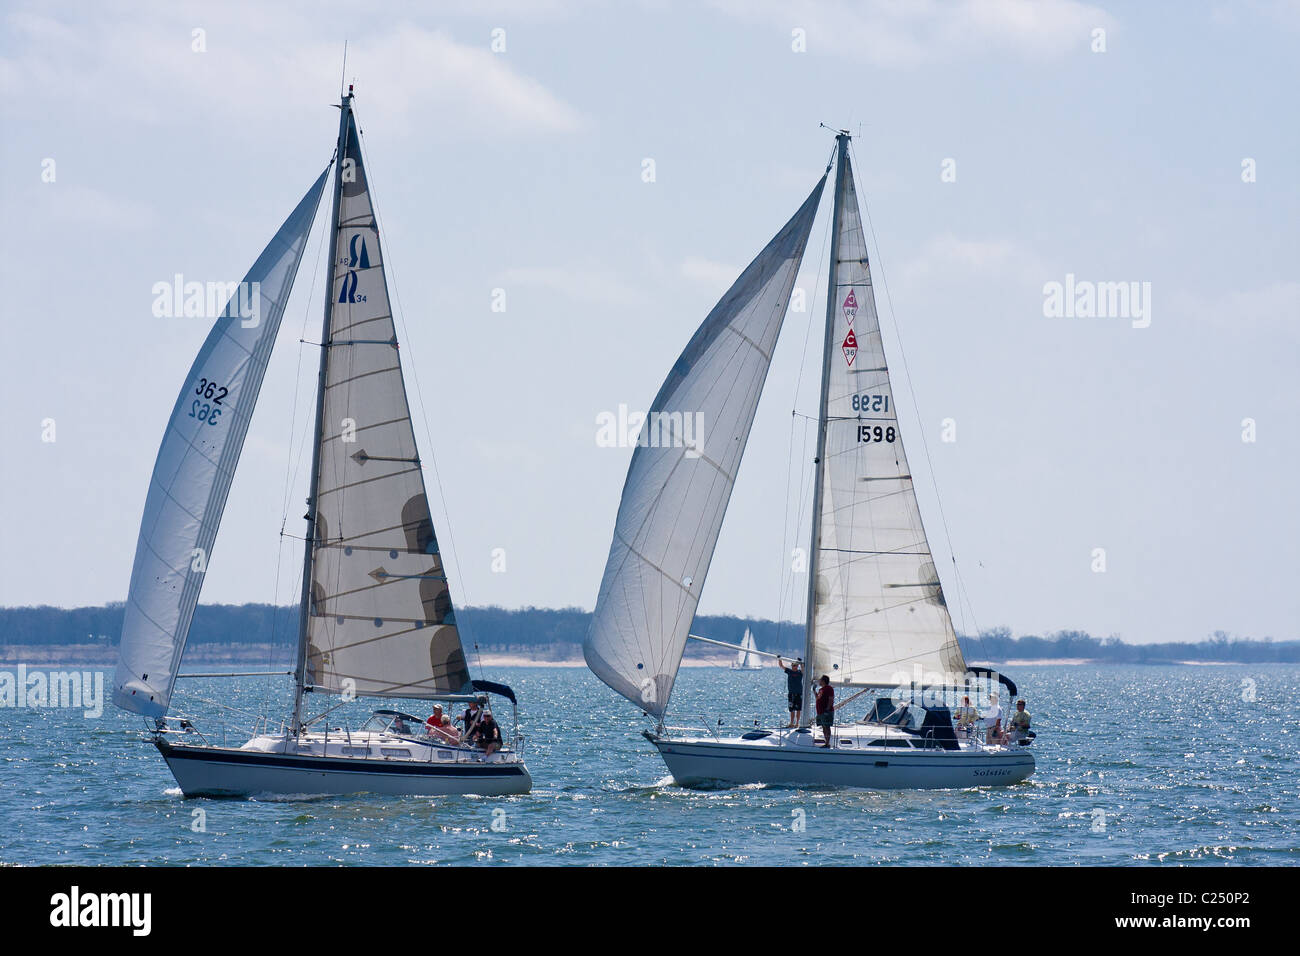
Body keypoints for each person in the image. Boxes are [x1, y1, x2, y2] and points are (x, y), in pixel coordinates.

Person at [777, 656, 804, 728]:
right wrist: (780, 659)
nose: (794, 667)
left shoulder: (800, 672)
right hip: (791, 693)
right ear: (791, 666)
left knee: (798, 709)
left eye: (796, 665)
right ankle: (791, 723)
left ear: (797, 666)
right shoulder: (789, 671)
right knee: (791, 709)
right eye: (793, 665)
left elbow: (803, 669)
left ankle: (797, 723)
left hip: (799, 693)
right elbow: (781, 666)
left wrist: (800, 663)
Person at [814, 675, 834, 747]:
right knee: (823, 727)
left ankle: (827, 743)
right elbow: (817, 698)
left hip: (826, 712)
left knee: (827, 726)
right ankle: (826, 742)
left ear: (823, 681)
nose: (819, 681)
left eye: (820, 680)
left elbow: (831, 698)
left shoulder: (829, 688)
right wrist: (814, 691)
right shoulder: (821, 689)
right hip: (820, 712)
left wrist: (828, 709)